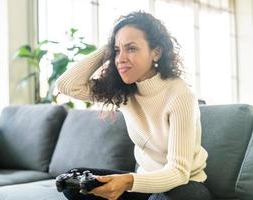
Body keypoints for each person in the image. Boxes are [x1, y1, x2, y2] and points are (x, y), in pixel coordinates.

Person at [55, 11, 213, 200]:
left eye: (131, 48)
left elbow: (178, 172)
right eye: (117, 51)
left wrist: (128, 181)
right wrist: (109, 47)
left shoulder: (180, 94)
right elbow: (67, 85)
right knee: (75, 180)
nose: (120, 58)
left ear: (156, 52)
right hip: (143, 186)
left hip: (184, 186)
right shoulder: (124, 91)